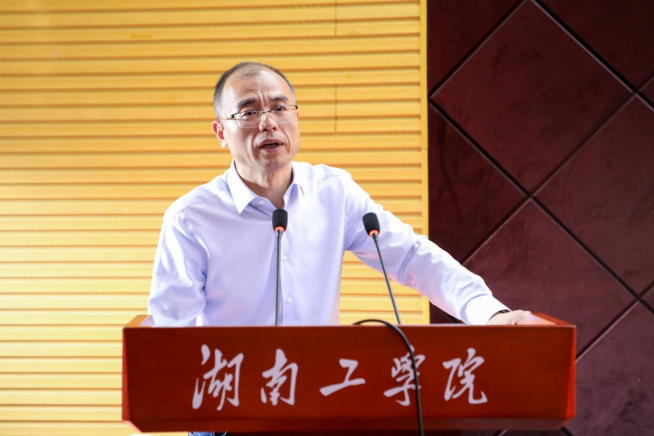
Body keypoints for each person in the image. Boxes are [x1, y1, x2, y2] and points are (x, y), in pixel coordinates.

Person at [148, 61, 529, 330]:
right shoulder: (191, 218)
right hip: (230, 401)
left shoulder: (333, 192)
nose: (269, 123)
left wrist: (488, 313)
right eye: (249, 113)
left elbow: (412, 256)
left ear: (296, 118)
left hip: (320, 393)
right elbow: (171, 330)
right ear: (220, 133)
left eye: (280, 108)